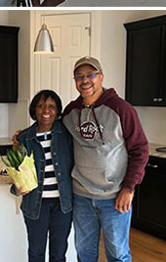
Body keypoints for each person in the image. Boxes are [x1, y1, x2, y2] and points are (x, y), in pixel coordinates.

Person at [62, 56, 149, 262]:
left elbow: (140, 150)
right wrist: (24, 136)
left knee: (117, 254)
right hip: (81, 195)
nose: (85, 81)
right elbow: (53, 133)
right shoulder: (71, 112)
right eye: (79, 76)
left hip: (114, 196)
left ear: (101, 77)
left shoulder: (121, 109)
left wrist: (129, 188)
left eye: (90, 75)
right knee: (84, 253)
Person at [12, 90, 74, 262]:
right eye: (40, 106)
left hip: (63, 205)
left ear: (58, 110)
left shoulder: (67, 134)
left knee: (59, 253)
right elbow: (18, 169)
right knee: (36, 253)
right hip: (35, 205)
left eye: (51, 106)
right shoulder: (24, 137)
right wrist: (17, 187)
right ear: (34, 110)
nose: (46, 110)